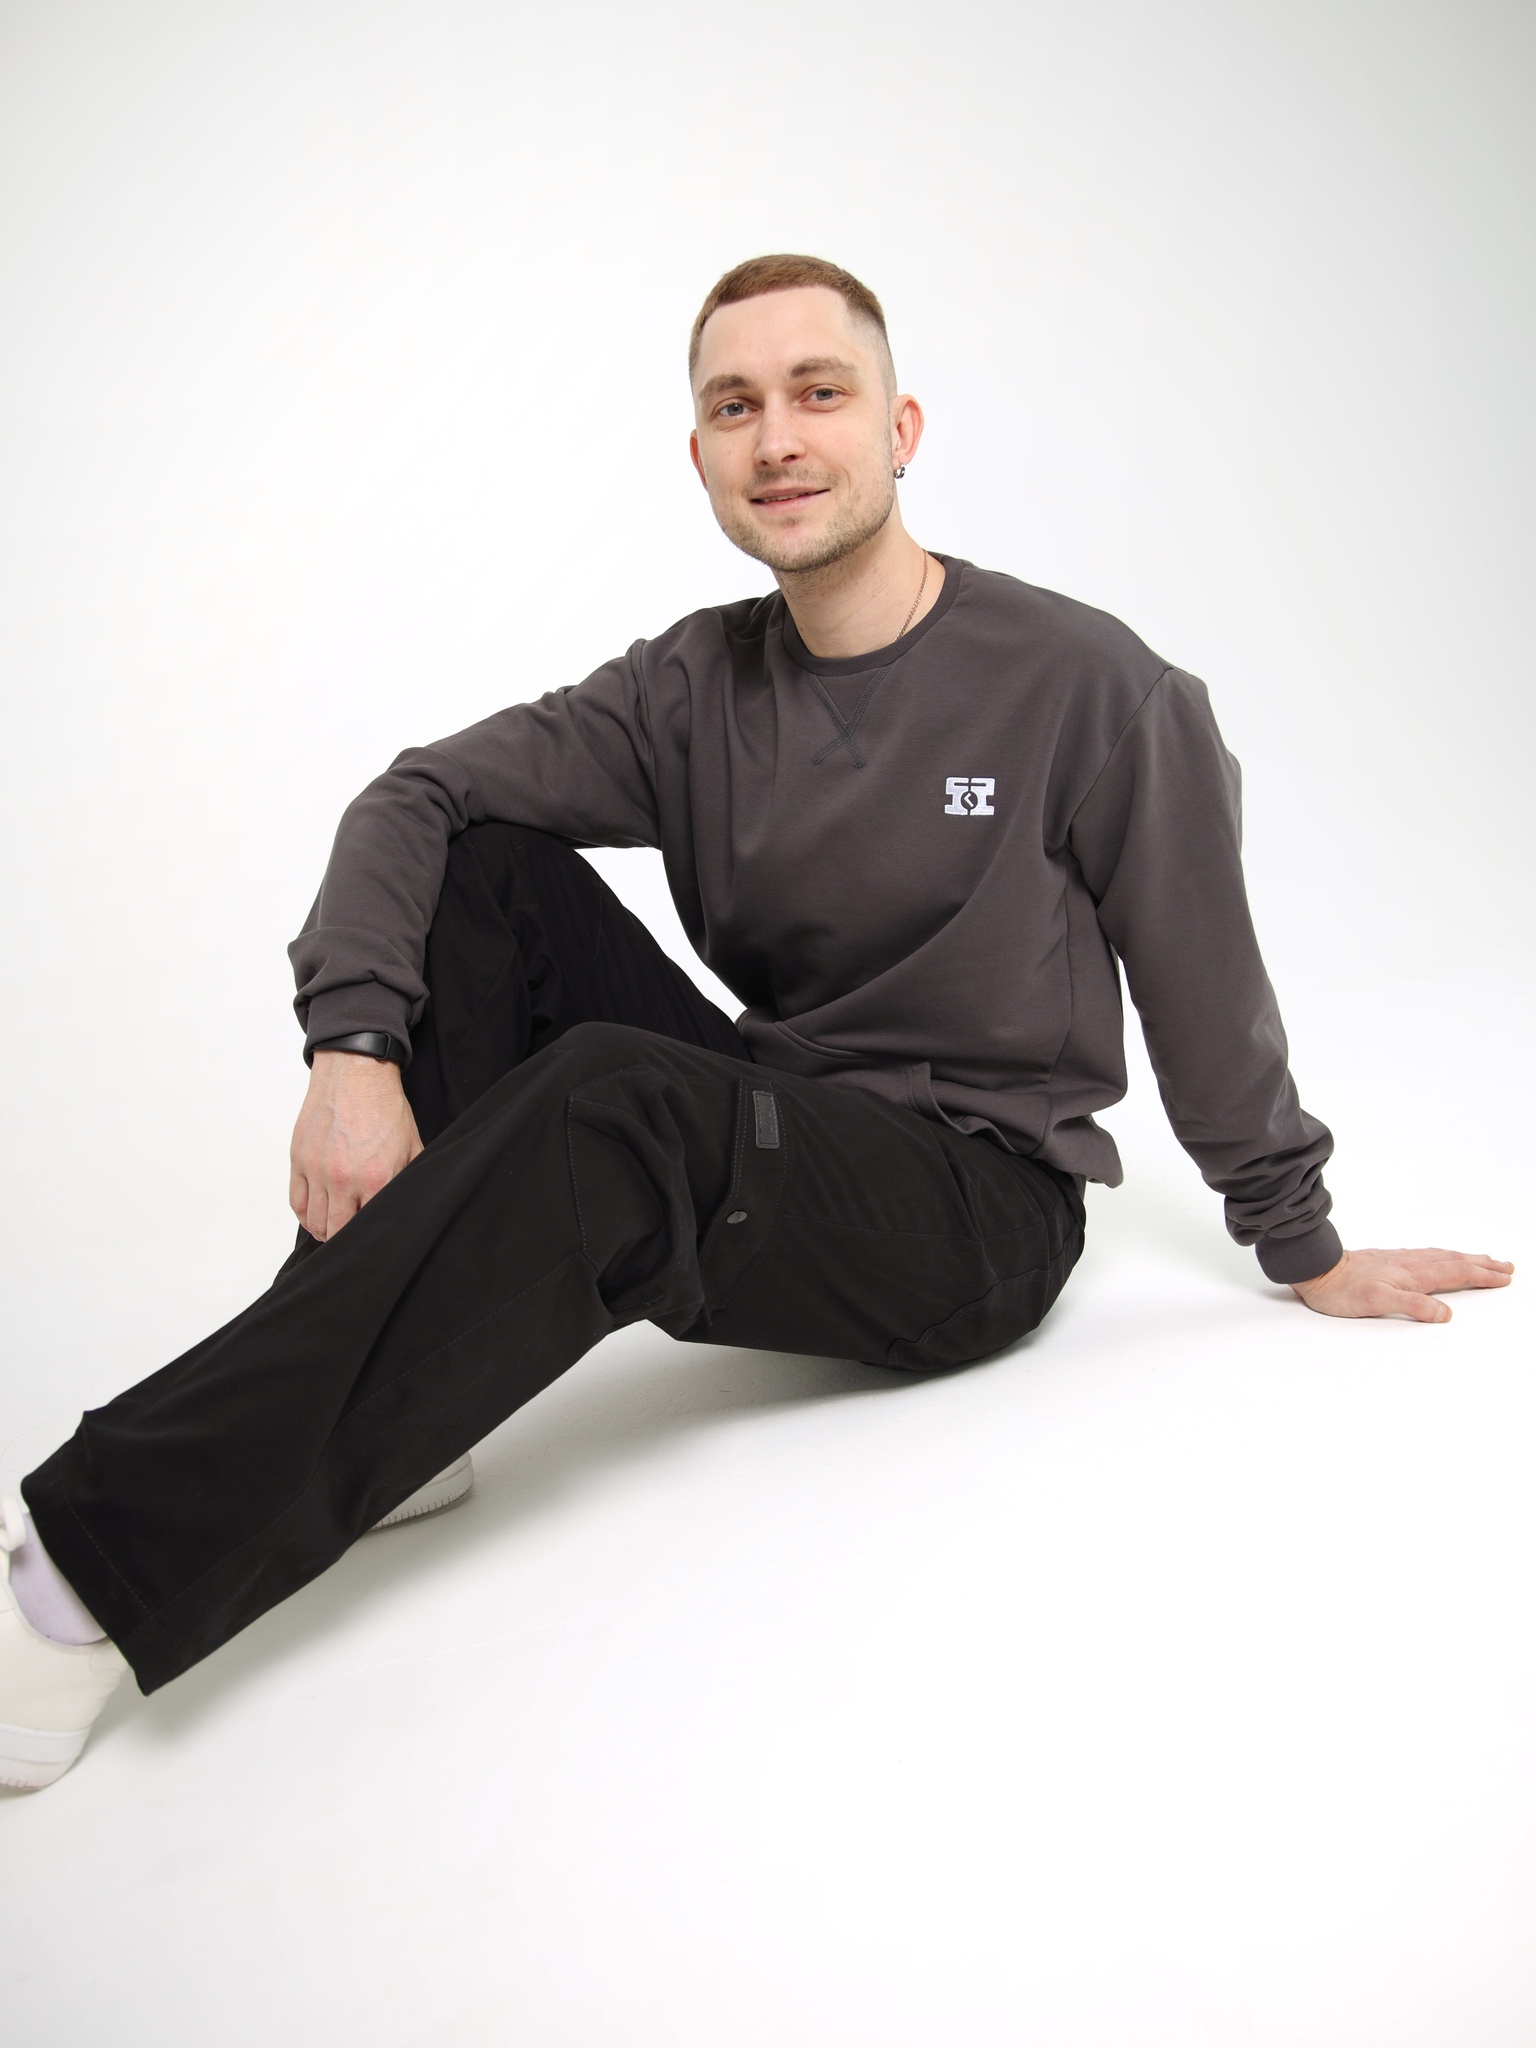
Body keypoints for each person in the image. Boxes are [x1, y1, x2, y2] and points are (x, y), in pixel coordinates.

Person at [0, 254, 1513, 1792]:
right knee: (484, 870)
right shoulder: (691, 687)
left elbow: (1206, 982)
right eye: (736, 406)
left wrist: (1302, 1240)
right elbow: (419, 792)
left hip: (973, 1205)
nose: (778, 437)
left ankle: (73, 1589)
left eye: (818, 393)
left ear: (900, 428)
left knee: (611, 1101)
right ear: (701, 455)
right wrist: (354, 1049)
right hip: (782, 1109)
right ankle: (392, 1429)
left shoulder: (1089, 686)